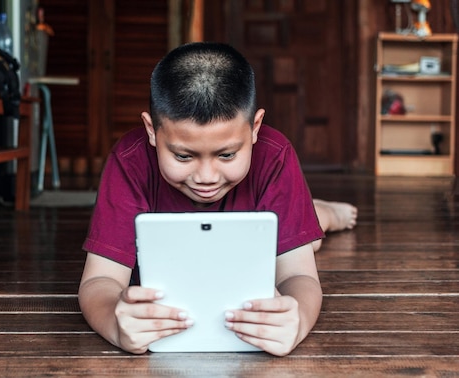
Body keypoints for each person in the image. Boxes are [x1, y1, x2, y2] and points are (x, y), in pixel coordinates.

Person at [78, 42, 357, 357]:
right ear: (152, 131)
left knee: (305, 239)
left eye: (226, 154)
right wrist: (115, 327)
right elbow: (100, 279)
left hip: (265, 222)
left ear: (255, 128)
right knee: (296, 234)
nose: (207, 177)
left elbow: (297, 274)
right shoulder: (129, 160)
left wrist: (299, 320)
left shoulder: (275, 156)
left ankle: (323, 215)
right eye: (184, 156)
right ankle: (313, 215)